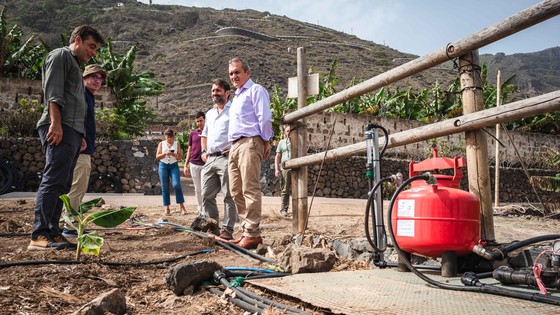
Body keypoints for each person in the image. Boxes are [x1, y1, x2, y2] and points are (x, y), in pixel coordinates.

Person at [28, 25, 105, 251]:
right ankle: (39, 234)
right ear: (78, 40)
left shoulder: (74, 64)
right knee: (53, 180)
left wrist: (79, 134)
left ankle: (54, 233)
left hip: (72, 129)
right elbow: (53, 92)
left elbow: (74, 103)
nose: (93, 53)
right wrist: (56, 123)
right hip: (60, 125)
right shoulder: (61, 55)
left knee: (63, 183)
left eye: (96, 49)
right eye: (91, 46)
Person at [227, 58, 273, 249]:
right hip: (235, 145)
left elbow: (264, 118)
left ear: (247, 72)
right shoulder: (237, 96)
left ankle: (253, 232)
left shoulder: (256, 90)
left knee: (250, 188)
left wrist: (265, 140)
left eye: (237, 72)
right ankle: (248, 230)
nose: (234, 76)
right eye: (231, 74)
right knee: (235, 190)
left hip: (250, 142)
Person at [62, 64, 106, 238]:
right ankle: (70, 227)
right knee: (77, 187)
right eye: (93, 76)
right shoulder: (81, 94)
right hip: (81, 149)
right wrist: (78, 137)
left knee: (71, 187)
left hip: (81, 148)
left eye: (100, 78)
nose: (98, 80)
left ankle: (65, 222)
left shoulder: (87, 96)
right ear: (84, 78)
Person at [200, 79, 237, 240]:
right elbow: (205, 135)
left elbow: (242, 130)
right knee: (206, 194)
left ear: (227, 92)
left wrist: (235, 146)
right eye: (213, 91)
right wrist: (203, 151)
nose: (215, 93)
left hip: (226, 157)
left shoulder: (234, 110)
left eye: (218, 90)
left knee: (229, 195)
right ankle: (213, 226)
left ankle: (227, 230)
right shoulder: (209, 113)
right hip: (210, 159)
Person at [156, 129, 187, 216]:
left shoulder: (177, 144)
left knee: (176, 185)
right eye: (167, 137)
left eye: (170, 137)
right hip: (163, 166)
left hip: (174, 165)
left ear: (173, 137)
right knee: (165, 187)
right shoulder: (161, 144)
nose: (169, 139)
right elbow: (157, 156)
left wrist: (174, 155)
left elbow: (180, 157)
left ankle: (182, 206)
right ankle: (167, 208)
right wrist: (165, 153)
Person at [183, 112, 205, 217]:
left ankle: (206, 209)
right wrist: (185, 165)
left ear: (205, 120)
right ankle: (200, 209)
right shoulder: (193, 134)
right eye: (197, 121)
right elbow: (189, 150)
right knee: (197, 189)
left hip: (206, 164)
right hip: (194, 164)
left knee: (205, 188)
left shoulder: (210, 132)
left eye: (201, 121)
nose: (199, 123)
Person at [274, 124, 292, 217]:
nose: (289, 133)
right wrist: (277, 169)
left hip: (297, 167)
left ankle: (298, 209)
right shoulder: (281, 142)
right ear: (285, 132)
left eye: (290, 131)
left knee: (298, 189)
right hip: (285, 168)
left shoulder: (297, 142)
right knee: (285, 189)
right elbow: (277, 157)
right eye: (287, 131)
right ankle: (284, 209)